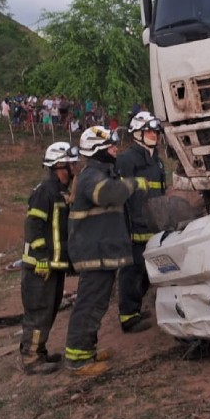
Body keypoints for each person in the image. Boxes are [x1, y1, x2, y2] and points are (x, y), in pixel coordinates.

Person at [64, 126, 148, 376]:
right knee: (89, 304)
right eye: (110, 146)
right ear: (97, 150)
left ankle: (86, 351)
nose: (115, 149)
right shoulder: (91, 176)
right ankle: (78, 359)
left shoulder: (101, 174)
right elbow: (109, 195)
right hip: (94, 253)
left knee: (97, 304)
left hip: (101, 252)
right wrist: (133, 183)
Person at [19, 142, 79, 375]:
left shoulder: (60, 192)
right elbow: (33, 225)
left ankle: (39, 351)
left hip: (54, 266)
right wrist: (42, 257)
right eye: (71, 163)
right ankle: (30, 359)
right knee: (39, 311)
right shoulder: (45, 191)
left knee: (49, 309)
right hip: (40, 267)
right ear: (59, 165)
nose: (75, 167)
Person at [115, 112, 167, 334]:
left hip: (153, 225)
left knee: (147, 271)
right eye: (149, 131)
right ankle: (128, 317)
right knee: (132, 272)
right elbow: (121, 196)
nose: (154, 135)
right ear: (137, 133)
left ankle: (135, 310)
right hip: (134, 227)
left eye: (155, 131)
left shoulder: (156, 160)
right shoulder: (127, 160)